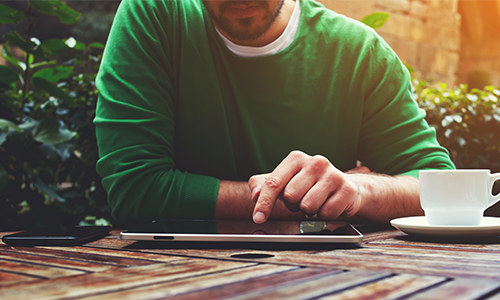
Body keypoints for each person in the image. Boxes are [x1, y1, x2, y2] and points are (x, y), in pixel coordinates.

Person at [94, 0, 455, 226]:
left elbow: (442, 189)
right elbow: (135, 193)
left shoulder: (360, 52)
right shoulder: (154, 14)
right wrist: (313, 202)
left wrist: (360, 189)